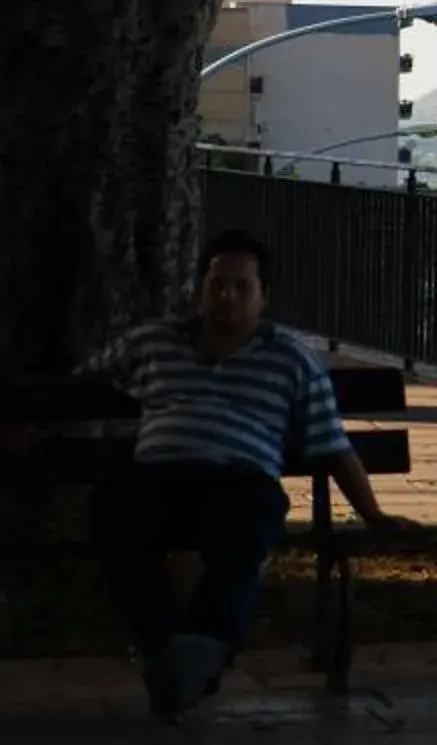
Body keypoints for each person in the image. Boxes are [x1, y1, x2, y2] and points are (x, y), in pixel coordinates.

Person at [84, 231, 419, 718]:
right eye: (217, 285)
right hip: (158, 474)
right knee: (114, 512)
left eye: (241, 287)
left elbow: (331, 444)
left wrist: (373, 514)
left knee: (246, 527)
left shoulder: (291, 359)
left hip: (239, 479)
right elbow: (84, 382)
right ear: (200, 288)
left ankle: (201, 647)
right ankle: (168, 650)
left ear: (264, 296)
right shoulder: (154, 342)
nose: (227, 296)